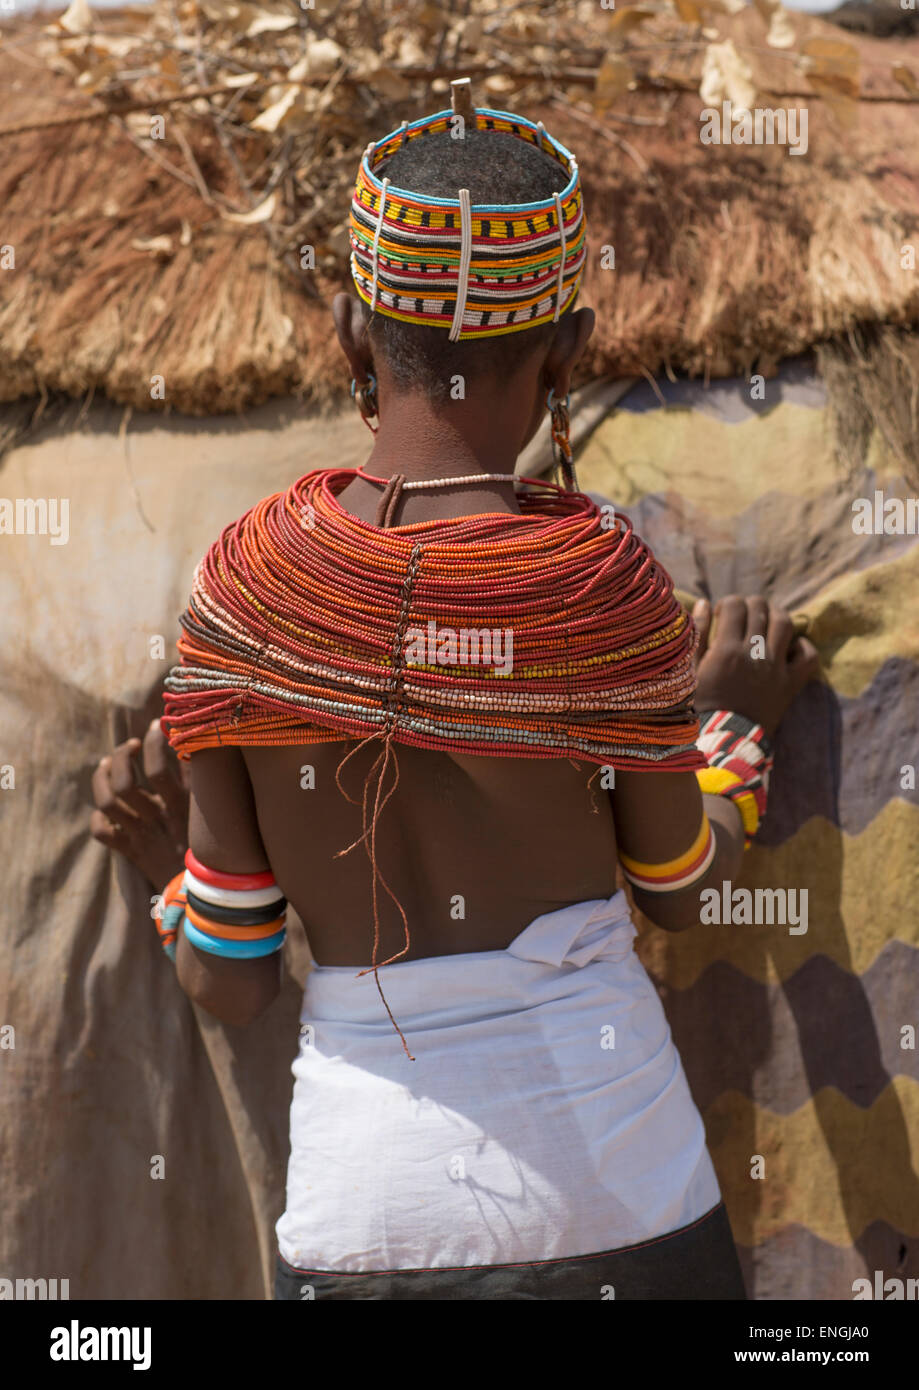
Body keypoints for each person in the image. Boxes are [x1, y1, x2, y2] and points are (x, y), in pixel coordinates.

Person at [92, 106, 819, 1300]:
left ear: (345, 334)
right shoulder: (594, 580)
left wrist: (180, 867)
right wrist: (726, 728)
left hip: (361, 1220)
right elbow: (681, 889)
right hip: (620, 1197)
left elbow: (232, 976)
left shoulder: (244, 589)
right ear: (571, 350)